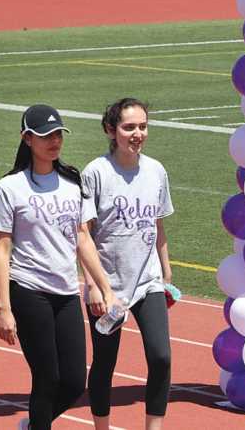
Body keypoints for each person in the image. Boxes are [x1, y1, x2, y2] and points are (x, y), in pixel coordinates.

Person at [0, 104, 115, 429]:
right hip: (28, 291)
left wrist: (103, 286)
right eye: (45, 135)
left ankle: (31, 425)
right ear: (27, 139)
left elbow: (83, 238)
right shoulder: (10, 188)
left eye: (58, 134)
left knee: (73, 382)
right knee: (46, 378)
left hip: (67, 291)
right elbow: (2, 250)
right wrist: (4, 308)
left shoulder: (74, 182)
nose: (54, 141)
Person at [80, 98, 173, 430]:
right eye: (129, 127)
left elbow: (158, 225)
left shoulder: (156, 171)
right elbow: (84, 234)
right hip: (109, 288)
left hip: (148, 282)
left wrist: (166, 272)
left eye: (143, 126)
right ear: (111, 130)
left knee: (161, 357)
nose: (137, 134)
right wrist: (92, 286)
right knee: (105, 362)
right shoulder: (96, 173)